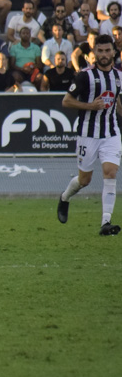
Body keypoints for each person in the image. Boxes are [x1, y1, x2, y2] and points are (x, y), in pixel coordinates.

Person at [57, 35, 121, 235]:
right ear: (94, 53)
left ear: (113, 52)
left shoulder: (118, 76)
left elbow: (117, 102)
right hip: (88, 133)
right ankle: (65, 197)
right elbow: (66, 101)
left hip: (111, 132)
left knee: (110, 173)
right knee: (84, 180)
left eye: (107, 50)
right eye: (100, 51)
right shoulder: (84, 76)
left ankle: (105, 222)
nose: (104, 55)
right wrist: (90, 106)